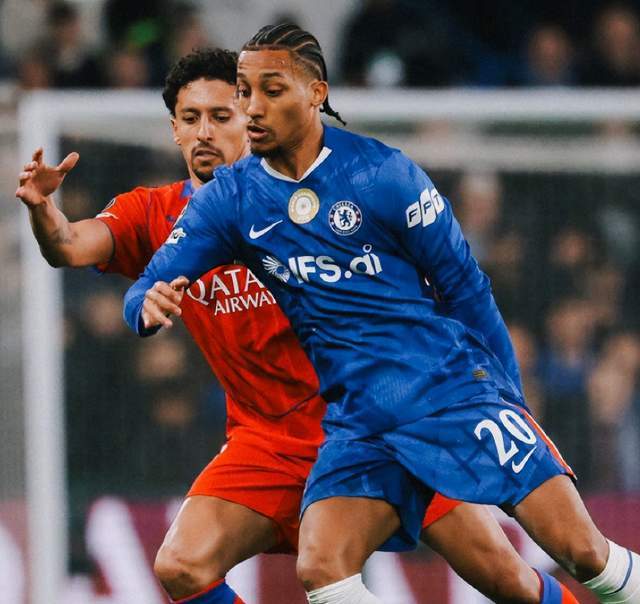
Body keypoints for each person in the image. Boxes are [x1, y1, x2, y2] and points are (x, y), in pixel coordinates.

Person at [15, 48, 566, 604]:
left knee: (507, 579)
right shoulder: (156, 216)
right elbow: (68, 245)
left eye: (221, 116)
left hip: (377, 426)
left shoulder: (313, 201)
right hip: (266, 444)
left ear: (253, 120)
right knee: (182, 565)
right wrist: (43, 211)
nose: (205, 132)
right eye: (190, 118)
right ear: (174, 130)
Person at [121, 24, 640, 604]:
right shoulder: (231, 198)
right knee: (323, 569)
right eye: (245, 92)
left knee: (584, 555)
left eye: (272, 90)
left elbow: (465, 288)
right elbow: (150, 280)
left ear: (316, 94)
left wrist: (508, 399)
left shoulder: (381, 173)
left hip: (447, 396)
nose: (254, 107)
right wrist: (145, 305)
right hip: (358, 423)